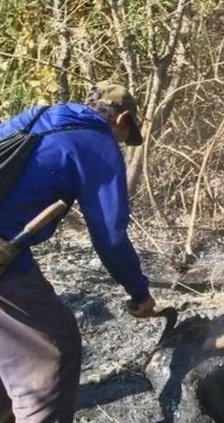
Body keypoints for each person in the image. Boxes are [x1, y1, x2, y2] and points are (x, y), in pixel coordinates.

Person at [0, 82, 157, 422]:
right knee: (53, 350)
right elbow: (110, 237)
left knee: (11, 341)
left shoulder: (39, 116)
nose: (119, 145)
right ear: (123, 119)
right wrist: (139, 291)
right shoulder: (97, 142)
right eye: (123, 136)